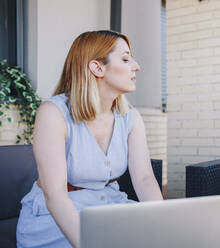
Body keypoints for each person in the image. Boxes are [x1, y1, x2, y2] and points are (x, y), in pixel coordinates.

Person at [16, 30, 163, 248]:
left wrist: (164, 225)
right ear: (97, 67)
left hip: (110, 210)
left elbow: (143, 179)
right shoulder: (53, 113)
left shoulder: (130, 117)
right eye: (125, 58)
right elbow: (55, 195)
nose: (136, 66)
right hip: (55, 223)